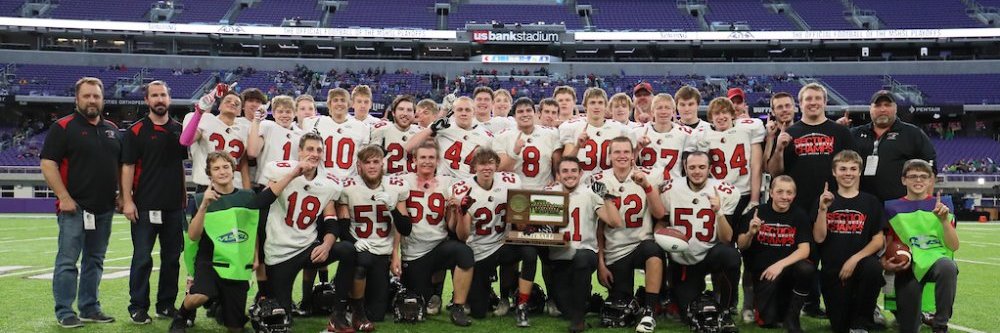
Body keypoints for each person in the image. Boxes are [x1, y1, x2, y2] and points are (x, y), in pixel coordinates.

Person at [169, 151, 298, 333]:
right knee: (199, 295)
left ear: (233, 169)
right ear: (210, 174)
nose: (222, 171)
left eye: (225, 167)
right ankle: (181, 315)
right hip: (210, 259)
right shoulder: (200, 199)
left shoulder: (246, 197)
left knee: (235, 327)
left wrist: (254, 256)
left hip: (236, 262)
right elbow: (193, 236)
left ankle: (221, 304)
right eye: (216, 168)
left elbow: (254, 223)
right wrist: (204, 206)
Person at [767, 83, 855, 316]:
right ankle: (810, 305)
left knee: (834, 259)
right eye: (808, 99)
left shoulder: (840, 133)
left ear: (825, 102)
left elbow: (852, 169)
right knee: (806, 261)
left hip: (833, 205)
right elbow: (775, 172)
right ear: (801, 103)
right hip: (800, 207)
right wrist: (778, 148)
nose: (813, 102)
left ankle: (838, 306)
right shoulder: (791, 133)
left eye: (817, 98)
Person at [41, 77, 121, 328]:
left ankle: (89, 307)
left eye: (96, 96)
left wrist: (120, 194)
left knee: (95, 260)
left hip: (105, 208)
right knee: (67, 261)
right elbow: (47, 163)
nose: (91, 100)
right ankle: (65, 311)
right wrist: (63, 197)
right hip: (74, 208)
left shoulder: (112, 129)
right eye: (86, 96)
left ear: (102, 99)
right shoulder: (63, 127)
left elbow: (118, 166)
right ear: (77, 99)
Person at [257, 133, 356, 333]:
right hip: (279, 253)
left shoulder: (330, 182)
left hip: (308, 248)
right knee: (281, 321)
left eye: (319, 150)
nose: (315, 154)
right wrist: (293, 174)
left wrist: (327, 244)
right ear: (300, 151)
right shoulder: (279, 169)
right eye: (310, 149)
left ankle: (338, 315)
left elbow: (330, 222)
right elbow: (259, 203)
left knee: (347, 250)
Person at [122, 81, 188, 324]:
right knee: (142, 258)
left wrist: (183, 199)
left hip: (173, 206)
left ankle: (166, 305)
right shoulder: (136, 131)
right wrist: (127, 200)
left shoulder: (180, 130)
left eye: (163, 95)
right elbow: (127, 167)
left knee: (172, 258)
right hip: (145, 205)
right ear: (147, 100)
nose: (159, 99)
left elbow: (181, 166)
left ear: (169, 99)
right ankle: (137, 306)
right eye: (155, 96)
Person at [452, 149, 537, 326]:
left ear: (496, 165)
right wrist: (462, 212)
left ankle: (521, 305)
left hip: (503, 243)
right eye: (482, 163)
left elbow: (519, 219)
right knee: (479, 312)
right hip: (479, 252)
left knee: (529, 251)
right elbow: (462, 236)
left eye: (490, 163)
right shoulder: (463, 189)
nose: (486, 168)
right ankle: (480, 295)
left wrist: (524, 221)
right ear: (474, 166)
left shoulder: (510, 181)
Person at [592, 137, 667, 333]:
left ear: (633, 155)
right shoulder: (599, 181)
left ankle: (649, 311)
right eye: (617, 152)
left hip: (640, 244)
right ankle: (638, 299)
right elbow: (598, 228)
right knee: (620, 306)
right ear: (609, 156)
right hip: (615, 251)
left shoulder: (648, 175)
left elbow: (660, 214)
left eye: (626, 152)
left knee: (654, 249)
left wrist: (646, 186)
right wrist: (601, 264)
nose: (622, 156)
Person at [661, 151, 740, 332]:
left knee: (730, 255)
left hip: (711, 253)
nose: (697, 171)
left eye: (702, 167)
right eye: (692, 167)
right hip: (684, 258)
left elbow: (727, 238)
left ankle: (726, 310)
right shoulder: (671, 189)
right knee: (688, 314)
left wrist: (718, 212)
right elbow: (661, 220)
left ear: (710, 169)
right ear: (685, 169)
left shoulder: (724, 191)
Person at [337, 145, 413, 330]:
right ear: (359, 165)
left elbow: (405, 228)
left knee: (377, 314)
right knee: (362, 262)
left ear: (382, 164)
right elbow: (343, 227)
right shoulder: (348, 187)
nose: (372, 166)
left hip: (382, 252)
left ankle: (354, 295)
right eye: (367, 162)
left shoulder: (395, 186)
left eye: (376, 162)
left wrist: (393, 208)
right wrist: (355, 242)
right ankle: (355, 309)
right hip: (361, 248)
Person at [399, 142, 474, 327]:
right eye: (422, 157)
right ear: (414, 160)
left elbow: (450, 226)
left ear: (438, 160)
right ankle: (431, 294)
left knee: (464, 252)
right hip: (413, 253)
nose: (427, 161)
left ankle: (458, 307)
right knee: (414, 305)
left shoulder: (447, 183)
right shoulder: (403, 181)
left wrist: (456, 210)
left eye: (431, 157)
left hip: (438, 247)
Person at [546, 157, 622, 333]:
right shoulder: (549, 194)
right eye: (565, 171)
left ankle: (579, 320)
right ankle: (587, 303)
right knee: (566, 309)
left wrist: (607, 197)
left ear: (581, 173)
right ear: (558, 175)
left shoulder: (590, 193)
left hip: (585, 253)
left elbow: (615, 222)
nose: (569, 175)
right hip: (560, 257)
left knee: (581, 257)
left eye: (574, 170)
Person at [882, 159, 958, 333]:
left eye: (924, 176)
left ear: (931, 180)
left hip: (934, 262)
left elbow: (953, 246)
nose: (918, 180)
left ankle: (940, 325)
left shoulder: (943, 205)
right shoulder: (892, 208)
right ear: (904, 180)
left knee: (948, 265)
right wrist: (885, 263)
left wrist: (944, 220)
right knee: (909, 327)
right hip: (907, 266)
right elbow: (886, 243)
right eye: (913, 176)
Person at [813, 150, 885, 333]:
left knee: (873, 268)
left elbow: (878, 241)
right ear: (834, 172)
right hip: (833, 271)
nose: (848, 173)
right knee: (840, 325)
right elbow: (818, 238)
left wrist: (854, 259)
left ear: (859, 172)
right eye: (843, 169)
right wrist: (822, 210)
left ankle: (862, 321)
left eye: (853, 169)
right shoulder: (824, 201)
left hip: (861, 267)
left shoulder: (871, 202)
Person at [737, 176, 815, 333]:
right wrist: (751, 233)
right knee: (768, 321)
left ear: (794, 195)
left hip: (787, 273)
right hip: (765, 275)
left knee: (806, 268)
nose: (785, 197)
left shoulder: (799, 215)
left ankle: (793, 316)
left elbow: (805, 249)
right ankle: (766, 309)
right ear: (771, 193)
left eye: (789, 192)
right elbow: (741, 245)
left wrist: (779, 265)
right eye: (780, 192)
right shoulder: (757, 212)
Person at [849, 91, 937, 202]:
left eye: (887, 105)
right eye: (878, 105)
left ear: (895, 108)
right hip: (863, 205)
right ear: (870, 109)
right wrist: (838, 130)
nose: (882, 109)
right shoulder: (854, 134)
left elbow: (930, 170)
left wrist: (927, 203)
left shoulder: (912, 134)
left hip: (900, 208)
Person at [181, 87, 252, 191]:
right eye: (228, 101)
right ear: (219, 106)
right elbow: (186, 140)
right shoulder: (206, 119)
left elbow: (244, 165)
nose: (232, 103)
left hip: (235, 186)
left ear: (239, 112)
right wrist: (200, 111)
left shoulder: (245, 128)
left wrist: (247, 192)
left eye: (237, 103)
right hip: (208, 185)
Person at [404, 96, 493, 180]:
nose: (463, 113)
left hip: (470, 184)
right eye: (459, 110)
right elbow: (409, 147)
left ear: (474, 112)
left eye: (467, 110)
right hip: (444, 183)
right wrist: (431, 129)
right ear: (453, 112)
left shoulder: (486, 135)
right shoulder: (443, 127)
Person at [559, 87, 633, 177]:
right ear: (585, 106)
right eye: (592, 103)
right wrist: (577, 146)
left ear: (606, 106)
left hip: (610, 184)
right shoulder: (572, 127)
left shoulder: (620, 129)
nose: (596, 106)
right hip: (580, 183)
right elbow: (566, 163)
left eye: (600, 103)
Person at [302, 88, 371, 180]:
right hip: (323, 180)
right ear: (329, 104)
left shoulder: (362, 127)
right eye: (335, 100)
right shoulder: (316, 123)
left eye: (343, 100)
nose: (339, 103)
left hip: (349, 181)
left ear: (349, 104)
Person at [497, 97, 562, 188]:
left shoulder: (551, 133)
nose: (525, 114)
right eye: (520, 111)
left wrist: (557, 181)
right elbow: (501, 170)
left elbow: (558, 165)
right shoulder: (502, 136)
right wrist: (514, 152)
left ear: (535, 114)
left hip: (544, 190)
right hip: (515, 191)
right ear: (514, 116)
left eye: (528, 110)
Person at [634, 93, 695, 180]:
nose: (663, 111)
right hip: (646, 184)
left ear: (673, 112)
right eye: (659, 108)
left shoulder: (686, 134)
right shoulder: (639, 131)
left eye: (667, 108)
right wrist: (636, 149)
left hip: (673, 186)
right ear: (652, 112)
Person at [247, 95, 303, 188]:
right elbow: (252, 152)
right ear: (273, 113)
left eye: (288, 112)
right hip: (267, 182)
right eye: (280, 111)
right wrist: (256, 121)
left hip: (291, 184)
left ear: (294, 113)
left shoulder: (301, 134)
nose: (284, 115)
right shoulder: (267, 126)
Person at [371, 95, 421, 175]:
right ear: (393, 113)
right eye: (401, 109)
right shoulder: (382, 129)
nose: (405, 113)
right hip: (387, 181)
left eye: (409, 110)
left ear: (414, 114)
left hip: (413, 182)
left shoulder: (420, 132)